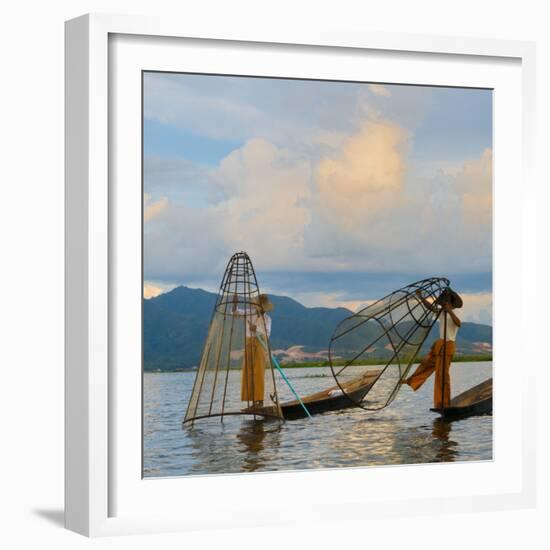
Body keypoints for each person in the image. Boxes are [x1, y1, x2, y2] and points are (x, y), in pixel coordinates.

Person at [403, 288, 463, 408]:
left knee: (442, 375)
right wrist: (421, 298)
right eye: (443, 302)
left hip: (448, 345)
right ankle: (412, 380)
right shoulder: (442, 313)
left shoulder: (454, 313)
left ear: (450, 303)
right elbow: (430, 308)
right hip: (440, 344)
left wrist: (449, 311)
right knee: (427, 363)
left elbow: (458, 323)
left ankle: (443, 403)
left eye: (446, 302)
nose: (444, 303)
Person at [233, 294, 274, 408]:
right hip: (249, 343)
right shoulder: (249, 312)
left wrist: (256, 329)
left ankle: (259, 401)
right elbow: (236, 313)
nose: (259, 309)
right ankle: (253, 401)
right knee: (249, 371)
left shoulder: (267, 319)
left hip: (260, 344)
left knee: (258, 372)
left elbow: (267, 334)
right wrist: (235, 304)